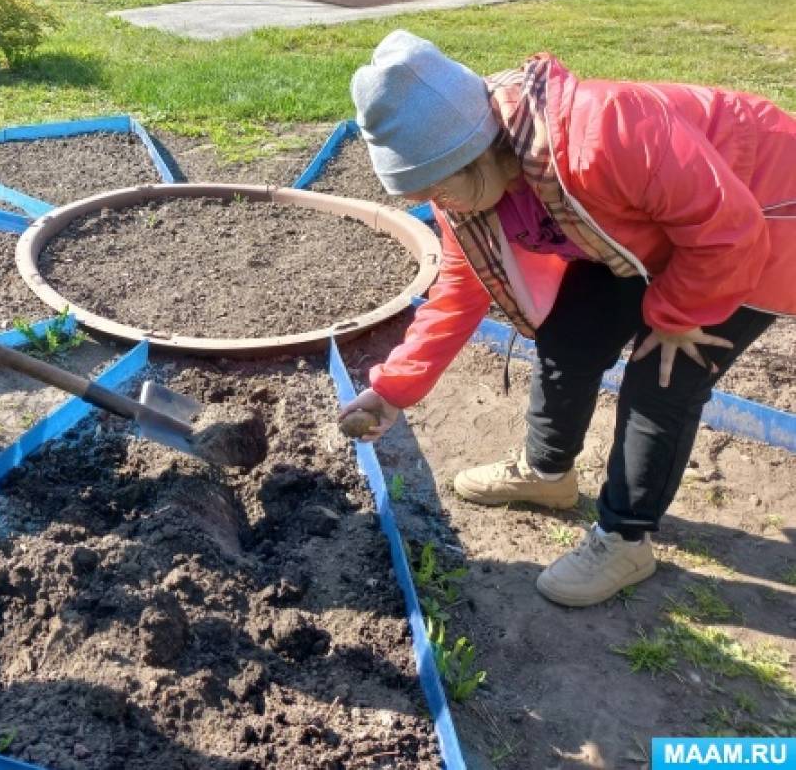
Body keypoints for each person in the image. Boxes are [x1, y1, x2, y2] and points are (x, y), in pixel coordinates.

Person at [339, 30, 795, 607]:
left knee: (663, 375)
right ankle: (547, 474)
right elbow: (461, 291)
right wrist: (391, 390)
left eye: (434, 186)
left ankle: (626, 539)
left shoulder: (600, 135)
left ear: (475, 150)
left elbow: (729, 230)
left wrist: (677, 314)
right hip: (644, 229)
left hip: (762, 213)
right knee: (568, 339)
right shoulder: (469, 190)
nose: (434, 202)